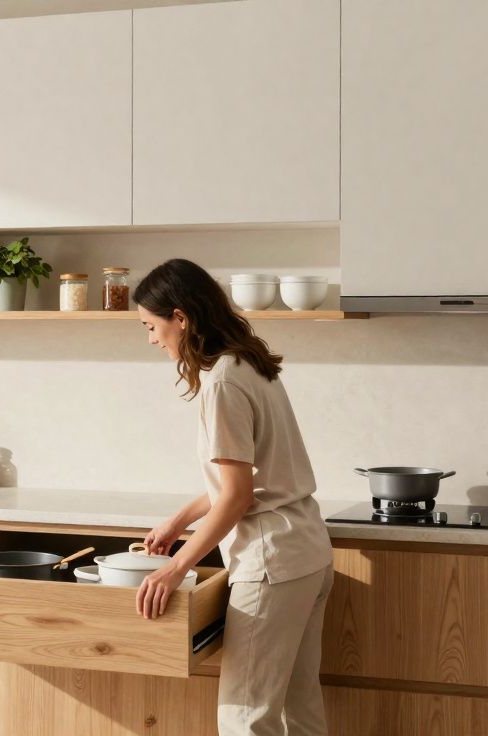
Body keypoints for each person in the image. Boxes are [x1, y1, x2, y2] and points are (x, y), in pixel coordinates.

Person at [131, 259, 333, 736]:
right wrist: (179, 520)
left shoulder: (222, 381)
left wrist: (177, 566)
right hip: (307, 551)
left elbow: (238, 496)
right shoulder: (249, 362)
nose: (151, 338)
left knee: (245, 718)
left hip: (272, 564)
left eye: (151, 325)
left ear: (180, 317)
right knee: (297, 712)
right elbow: (247, 476)